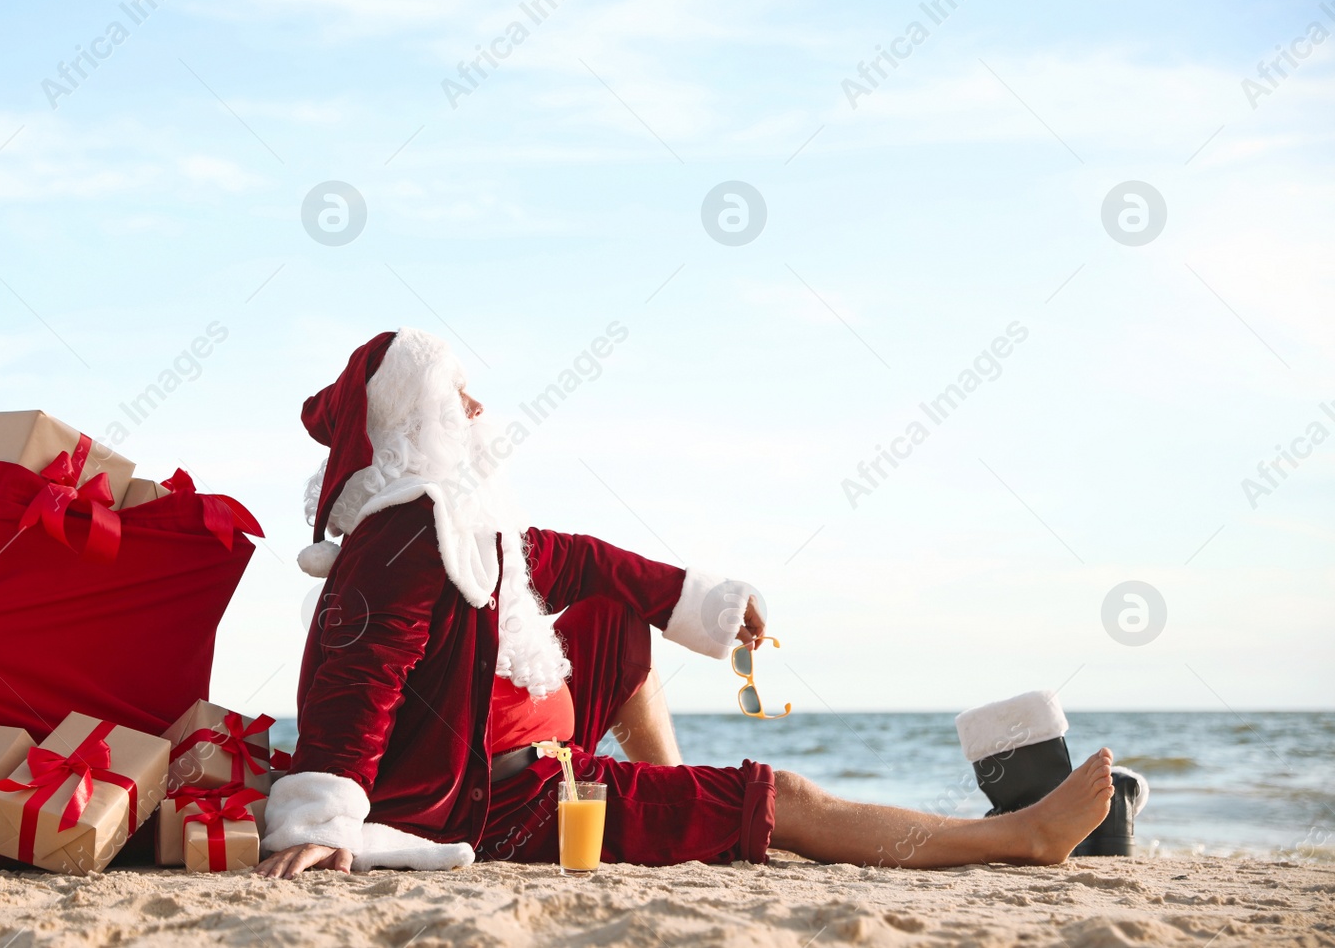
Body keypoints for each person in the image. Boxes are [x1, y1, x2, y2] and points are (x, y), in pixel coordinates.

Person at [256, 329, 1115, 878]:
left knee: (611, 606)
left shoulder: (452, 519)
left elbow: (581, 558)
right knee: (787, 797)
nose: (479, 408)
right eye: (455, 395)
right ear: (412, 418)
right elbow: (359, 677)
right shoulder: (410, 528)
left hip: (532, 756)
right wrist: (323, 816)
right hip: (503, 805)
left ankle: (668, 793)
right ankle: (1019, 837)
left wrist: (707, 601)